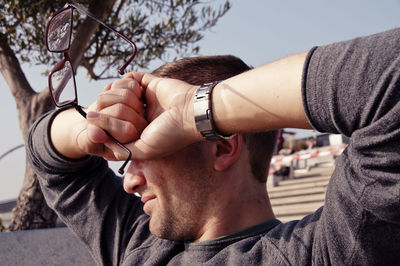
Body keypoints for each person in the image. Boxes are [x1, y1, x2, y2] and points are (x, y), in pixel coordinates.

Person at [27, 27, 400, 265]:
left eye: (143, 150)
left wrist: (197, 109)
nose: (129, 180)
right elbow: (49, 158)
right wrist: (95, 125)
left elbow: (390, 78)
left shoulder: (320, 252)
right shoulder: (138, 245)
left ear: (222, 148)